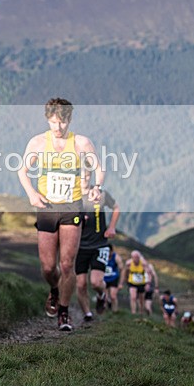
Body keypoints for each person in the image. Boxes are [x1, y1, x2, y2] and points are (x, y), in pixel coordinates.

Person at [18, 98, 105, 331]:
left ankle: (64, 313)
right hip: (46, 207)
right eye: (55, 122)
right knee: (48, 267)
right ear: (48, 119)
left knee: (67, 265)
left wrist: (97, 188)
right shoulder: (37, 142)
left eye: (63, 122)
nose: (59, 127)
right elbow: (23, 171)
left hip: (71, 207)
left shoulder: (81, 143)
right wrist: (32, 194)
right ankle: (54, 290)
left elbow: (98, 168)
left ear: (70, 120)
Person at [75, 188, 120, 322]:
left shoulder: (102, 194)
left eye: (88, 175)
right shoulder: (72, 193)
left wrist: (112, 227)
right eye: (82, 175)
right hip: (79, 246)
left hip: (99, 245)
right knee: (81, 284)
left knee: (95, 282)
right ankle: (87, 313)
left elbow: (116, 207)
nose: (85, 178)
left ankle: (101, 295)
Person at [120, 250, 147, 315]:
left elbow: (148, 273)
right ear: (132, 257)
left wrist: (148, 283)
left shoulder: (143, 263)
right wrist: (122, 282)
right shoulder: (128, 263)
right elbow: (124, 272)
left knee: (141, 299)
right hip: (132, 282)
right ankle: (133, 312)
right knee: (133, 297)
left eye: (137, 257)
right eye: (134, 257)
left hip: (141, 283)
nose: (136, 259)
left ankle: (141, 312)